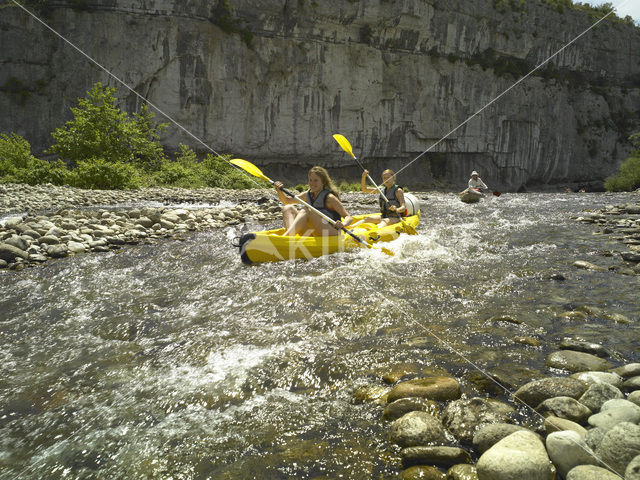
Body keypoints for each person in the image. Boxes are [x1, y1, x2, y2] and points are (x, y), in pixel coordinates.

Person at [273, 166, 353, 236]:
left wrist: (343, 224)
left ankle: (286, 237)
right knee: (288, 208)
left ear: (323, 182)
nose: (312, 183)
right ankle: (289, 236)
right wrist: (279, 191)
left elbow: (348, 217)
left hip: (330, 232)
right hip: (315, 231)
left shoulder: (330, 198)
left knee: (307, 209)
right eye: (310, 180)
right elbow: (286, 200)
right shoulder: (307, 194)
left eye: (316, 180)